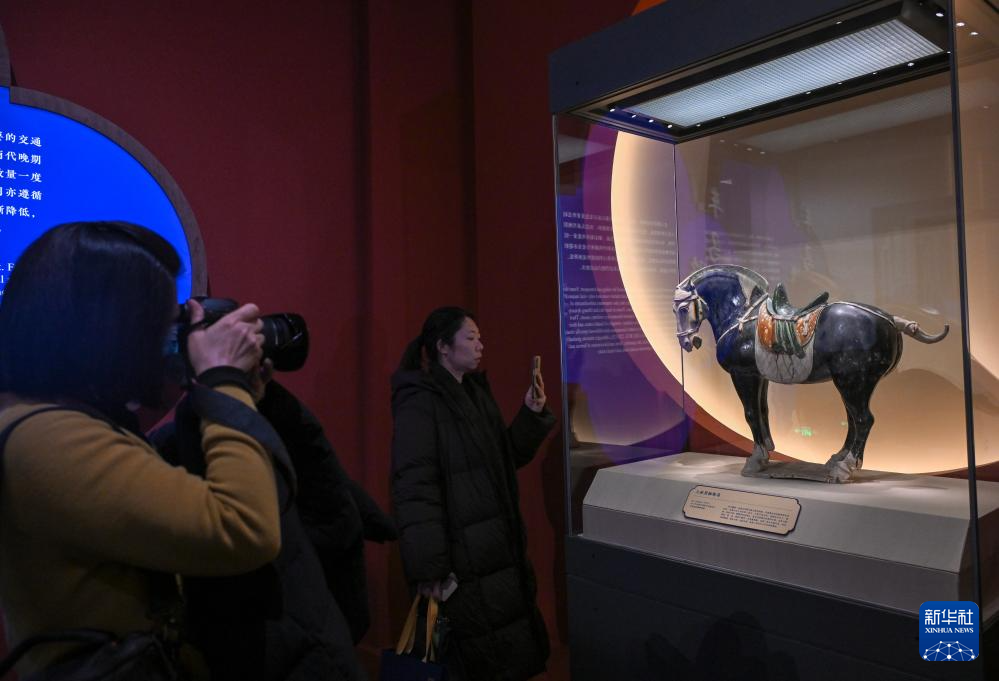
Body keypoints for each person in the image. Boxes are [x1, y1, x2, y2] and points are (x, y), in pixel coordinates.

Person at [0, 221, 280, 677]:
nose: (168, 342)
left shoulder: (42, 418)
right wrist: (223, 380)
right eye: (160, 326)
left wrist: (220, 387)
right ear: (113, 330)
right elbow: (244, 526)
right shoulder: (47, 438)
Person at [390, 306, 556, 681]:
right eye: (470, 338)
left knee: (505, 653)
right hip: (460, 562)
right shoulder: (420, 402)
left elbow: (504, 458)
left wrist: (531, 414)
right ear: (443, 346)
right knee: (474, 657)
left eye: (480, 338)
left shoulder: (475, 392)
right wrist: (429, 568)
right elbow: (415, 488)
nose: (480, 345)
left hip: (495, 551)